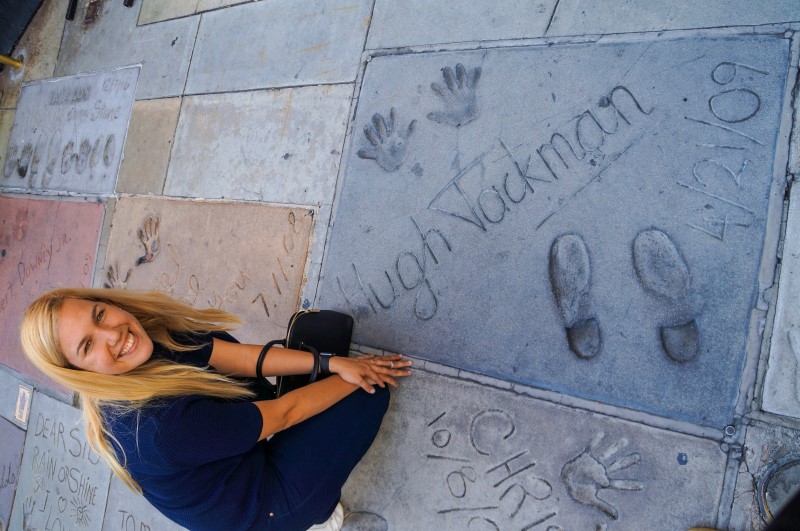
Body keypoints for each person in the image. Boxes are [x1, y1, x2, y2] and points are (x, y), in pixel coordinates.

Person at [19, 288, 411, 531]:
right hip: (264, 508)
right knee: (366, 393)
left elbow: (236, 358)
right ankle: (315, 514)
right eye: (87, 346)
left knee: (307, 355)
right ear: (78, 373)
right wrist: (351, 376)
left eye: (99, 314)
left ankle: (294, 455)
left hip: (227, 451)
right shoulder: (158, 430)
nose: (113, 334)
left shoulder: (146, 338)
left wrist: (328, 364)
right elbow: (287, 413)